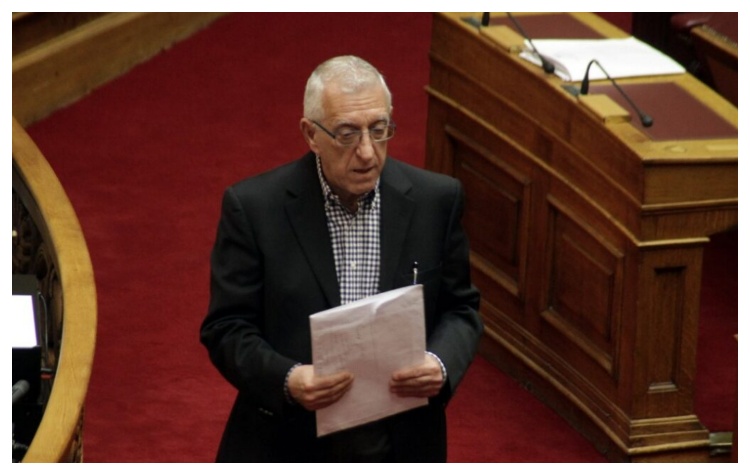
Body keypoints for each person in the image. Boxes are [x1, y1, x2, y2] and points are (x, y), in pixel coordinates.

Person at [200, 55, 482, 462]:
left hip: (401, 441)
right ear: (311, 134)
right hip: (288, 440)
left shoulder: (436, 200)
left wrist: (440, 363)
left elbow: (461, 309)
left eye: (379, 130)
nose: (367, 152)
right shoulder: (254, 208)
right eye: (348, 134)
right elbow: (226, 328)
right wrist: (289, 379)